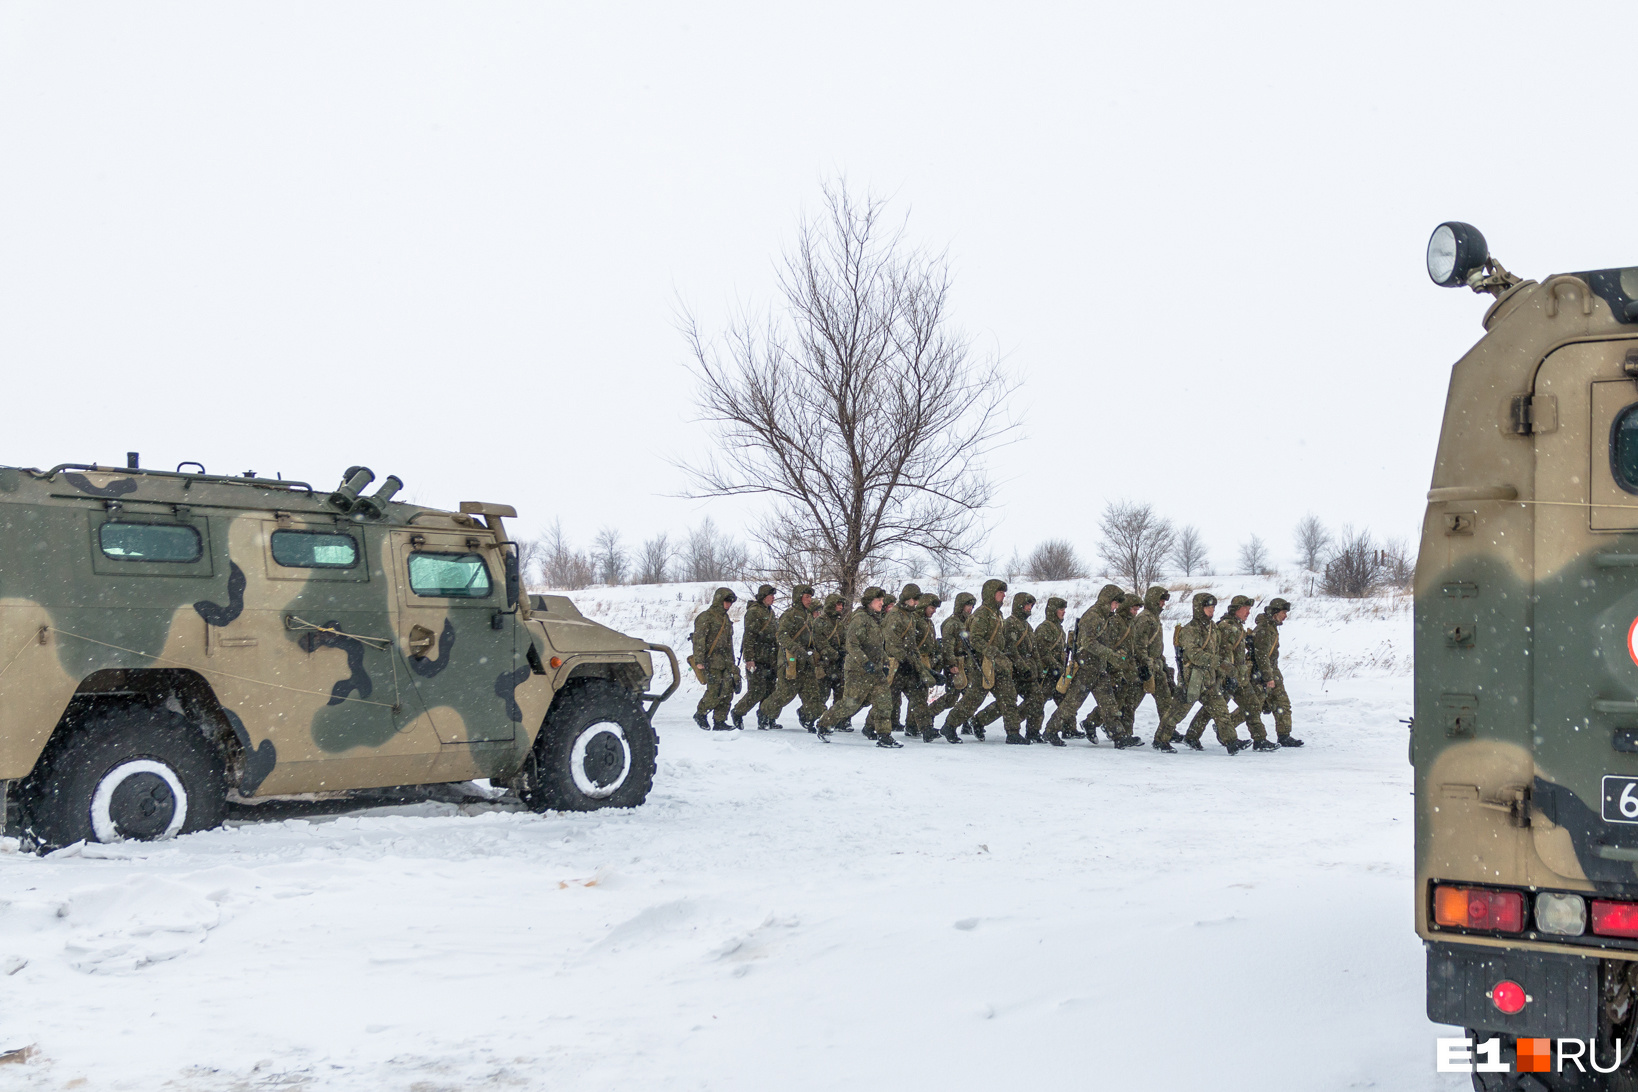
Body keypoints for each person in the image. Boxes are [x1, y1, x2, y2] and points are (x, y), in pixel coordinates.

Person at [1155, 592, 1247, 754]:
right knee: (1177, 713)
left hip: (1209, 680)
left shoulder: (1214, 629)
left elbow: (1219, 650)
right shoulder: (1190, 630)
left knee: (1221, 712)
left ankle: (1231, 742)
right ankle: (1160, 739)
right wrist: (1218, 663)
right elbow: (1194, 654)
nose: (1211, 610)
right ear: (1199, 608)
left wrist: (1224, 669)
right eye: (1207, 607)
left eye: (1212, 607)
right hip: (1192, 679)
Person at [814, 586, 900, 747]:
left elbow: (878, 645)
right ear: (869, 602)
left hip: (876, 670)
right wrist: (865, 662)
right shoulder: (860, 619)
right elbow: (852, 645)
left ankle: (884, 735)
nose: (881, 603)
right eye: (878, 600)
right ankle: (824, 724)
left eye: (882, 600)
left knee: (884, 701)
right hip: (858, 670)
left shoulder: (876, 619)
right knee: (850, 703)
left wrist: (885, 662)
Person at [946, 579, 1025, 743]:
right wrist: (994, 653)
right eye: (1000, 592)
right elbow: (975, 640)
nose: (1003, 595)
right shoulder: (982, 614)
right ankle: (949, 725)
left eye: (1004, 592)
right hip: (983, 664)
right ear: (991, 594)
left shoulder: (997, 614)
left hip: (998, 664)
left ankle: (1013, 733)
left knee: (1008, 697)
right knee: (973, 699)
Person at [1046, 585, 1126, 743]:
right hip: (1086, 668)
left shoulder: (1105, 617)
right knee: (1072, 703)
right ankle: (1051, 730)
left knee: (1109, 704)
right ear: (1107, 601)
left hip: (1099, 667)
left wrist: (1114, 656)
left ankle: (1119, 736)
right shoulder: (1093, 616)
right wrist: (1110, 654)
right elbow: (1088, 642)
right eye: (1114, 603)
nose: (1116, 607)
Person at [1211, 594, 1278, 752]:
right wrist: (1229, 675)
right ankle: (1196, 736)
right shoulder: (1227, 626)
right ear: (1236, 610)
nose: (1248, 612)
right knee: (1213, 708)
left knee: (1253, 705)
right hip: (1228, 676)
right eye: (1245, 609)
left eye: (1249, 609)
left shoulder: (1237, 626)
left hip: (1240, 676)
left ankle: (1260, 739)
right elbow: (1224, 654)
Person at [975, 591, 1040, 743]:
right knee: (1005, 703)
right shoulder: (1010, 623)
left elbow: (1033, 649)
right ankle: (980, 721)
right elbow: (1011, 649)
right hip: (1015, 670)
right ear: (1019, 605)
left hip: (1027, 671)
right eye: (1027, 604)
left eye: (1031, 605)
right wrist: (1022, 667)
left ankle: (1031, 731)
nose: (1029, 608)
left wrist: (1038, 668)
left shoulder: (1027, 626)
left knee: (1034, 699)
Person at [758, 584, 823, 731]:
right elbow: (781, 636)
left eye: (810, 597)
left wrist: (814, 651)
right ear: (798, 598)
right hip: (790, 660)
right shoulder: (790, 615)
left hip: (806, 661)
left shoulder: (809, 616)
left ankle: (809, 717)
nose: (809, 600)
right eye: (806, 597)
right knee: (785, 693)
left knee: (812, 692)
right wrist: (796, 649)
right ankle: (764, 713)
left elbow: (811, 637)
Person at [1131, 587, 1180, 751]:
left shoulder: (1153, 618)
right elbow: (1139, 645)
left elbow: (1155, 647)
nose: (1163, 604)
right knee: (1131, 701)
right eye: (1161, 600)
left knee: (1165, 701)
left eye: (1164, 601)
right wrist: (1146, 665)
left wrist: (1163, 664)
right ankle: (1112, 728)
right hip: (1145, 668)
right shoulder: (1145, 619)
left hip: (1156, 667)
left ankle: (1167, 731)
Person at [1250, 597, 1303, 748]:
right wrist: (1268, 677)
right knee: (1253, 707)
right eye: (1283, 612)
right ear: (1274, 613)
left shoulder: (1271, 628)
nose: (1285, 616)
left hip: (1272, 672)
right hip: (1263, 674)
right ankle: (1227, 728)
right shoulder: (1265, 630)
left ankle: (1284, 735)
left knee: (1282, 704)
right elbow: (1261, 656)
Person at [882, 583, 929, 739]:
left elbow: (912, 644)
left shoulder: (909, 616)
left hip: (906, 663)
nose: (916, 603)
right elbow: (891, 642)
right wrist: (905, 660)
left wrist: (916, 663)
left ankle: (925, 728)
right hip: (896, 664)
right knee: (888, 698)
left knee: (918, 695)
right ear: (907, 598)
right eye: (914, 599)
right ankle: (870, 726)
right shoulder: (894, 615)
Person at [690, 587, 739, 730]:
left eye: (731, 602)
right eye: (727, 601)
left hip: (725, 660)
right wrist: (699, 661)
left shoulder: (725, 618)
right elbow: (699, 640)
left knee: (727, 691)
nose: (729, 604)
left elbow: (728, 643)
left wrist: (732, 663)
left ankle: (720, 721)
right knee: (714, 691)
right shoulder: (706, 617)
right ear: (719, 599)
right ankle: (701, 713)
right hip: (710, 661)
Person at [732, 584, 779, 730]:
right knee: (756, 691)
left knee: (770, 691)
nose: (773, 598)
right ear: (764, 596)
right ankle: (738, 712)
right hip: (758, 659)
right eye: (771, 595)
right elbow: (749, 637)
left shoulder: (770, 612)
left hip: (770, 659)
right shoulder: (754, 612)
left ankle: (765, 717)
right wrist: (750, 658)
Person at [931, 591, 975, 740]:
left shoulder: (966, 622)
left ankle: (965, 723)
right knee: (952, 697)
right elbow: (947, 647)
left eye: (971, 606)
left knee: (968, 695)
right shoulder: (952, 624)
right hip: (956, 664)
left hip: (966, 663)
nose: (970, 608)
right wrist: (951, 664)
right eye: (967, 605)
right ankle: (930, 714)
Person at [908, 593, 946, 742]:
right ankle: (871, 726)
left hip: (924, 662)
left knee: (919, 696)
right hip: (914, 662)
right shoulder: (915, 620)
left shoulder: (928, 623)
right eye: (932, 607)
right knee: (913, 696)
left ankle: (916, 726)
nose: (934, 611)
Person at [1032, 596, 1070, 746]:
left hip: (1057, 673)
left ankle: (1066, 728)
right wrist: (1055, 666)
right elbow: (1042, 651)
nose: (1063, 612)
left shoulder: (1059, 629)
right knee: (1037, 703)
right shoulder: (1044, 628)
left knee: (1065, 702)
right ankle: (1033, 731)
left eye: (1064, 609)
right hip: (1046, 673)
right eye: (1061, 609)